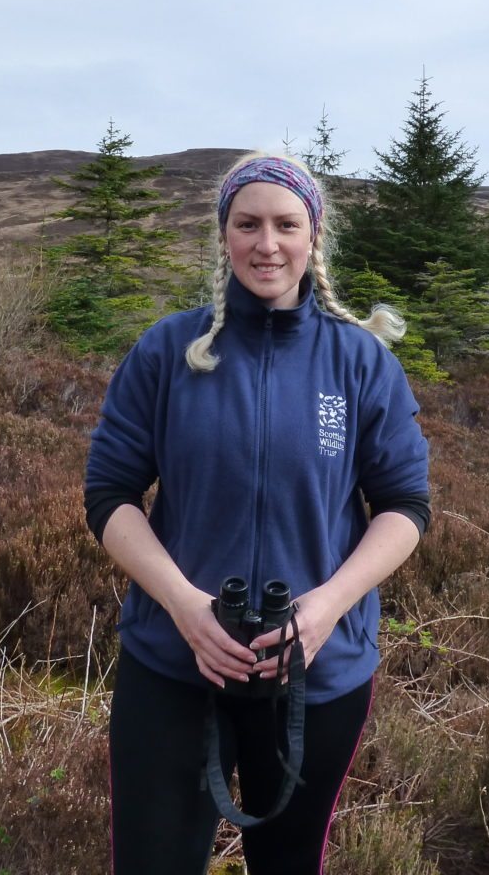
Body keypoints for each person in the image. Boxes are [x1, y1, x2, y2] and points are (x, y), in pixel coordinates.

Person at [84, 151, 432, 874]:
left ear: (314, 235)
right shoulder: (167, 352)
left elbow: (403, 506)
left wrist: (328, 608)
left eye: (285, 224)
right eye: (247, 224)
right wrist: (184, 607)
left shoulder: (361, 363)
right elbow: (110, 496)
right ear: (224, 234)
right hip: (175, 666)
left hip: (317, 674)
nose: (266, 244)